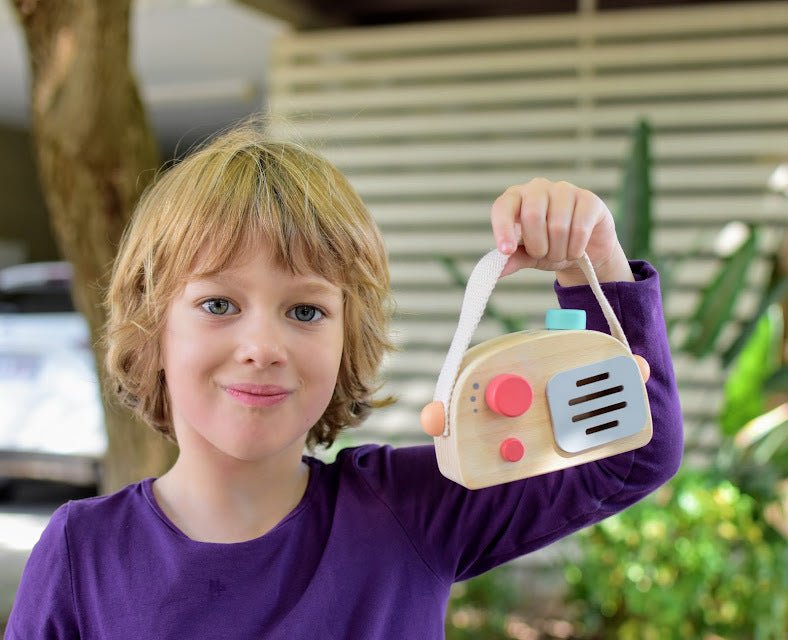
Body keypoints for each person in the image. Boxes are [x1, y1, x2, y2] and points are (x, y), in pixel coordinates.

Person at [5, 122, 683, 640]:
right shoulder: (79, 554)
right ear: (153, 327)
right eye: (218, 304)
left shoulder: (412, 510)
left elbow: (628, 456)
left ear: (346, 341)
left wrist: (592, 262)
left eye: (305, 310)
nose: (262, 346)